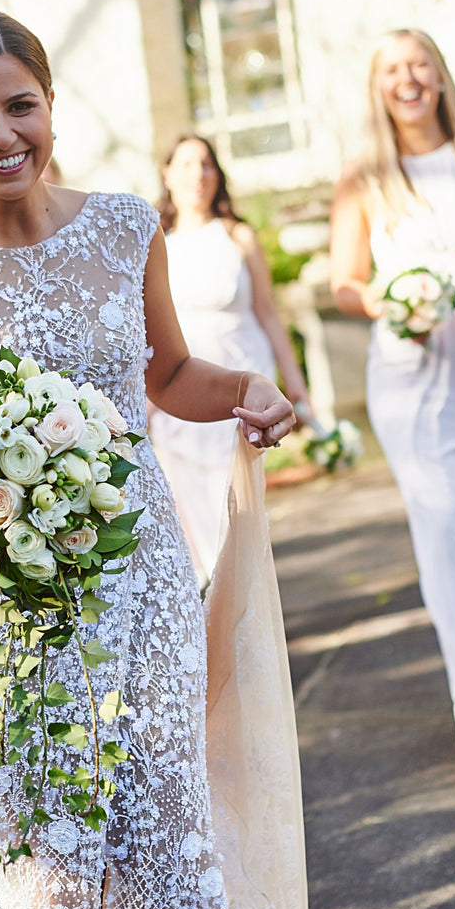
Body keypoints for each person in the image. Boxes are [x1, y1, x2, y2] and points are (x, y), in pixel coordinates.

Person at [0, 11, 301, 909]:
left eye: (20, 106)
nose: (1, 135)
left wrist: (249, 389)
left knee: (164, 818)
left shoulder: (123, 229)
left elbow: (171, 376)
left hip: (136, 573)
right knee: (50, 848)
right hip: (3, 592)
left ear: (51, 106)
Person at [329, 27, 455, 788]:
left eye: (418, 64)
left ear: (440, 76)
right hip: (413, 370)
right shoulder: (364, 176)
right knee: (445, 529)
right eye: (392, 68)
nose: (408, 79)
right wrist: (391, 300)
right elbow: (344, 283)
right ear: (378, 86)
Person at [148, 134, 311, 585]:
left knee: (234, 493)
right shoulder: (154, 240)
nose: (197, 175)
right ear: (167, 174)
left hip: (241, 370)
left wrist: (295, 386)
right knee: (190, 497)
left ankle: (243, 590)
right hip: (183, 381)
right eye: (185, 165)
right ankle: (209, 592)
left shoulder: (237, 236)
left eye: (205, 164)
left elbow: (269, 314)